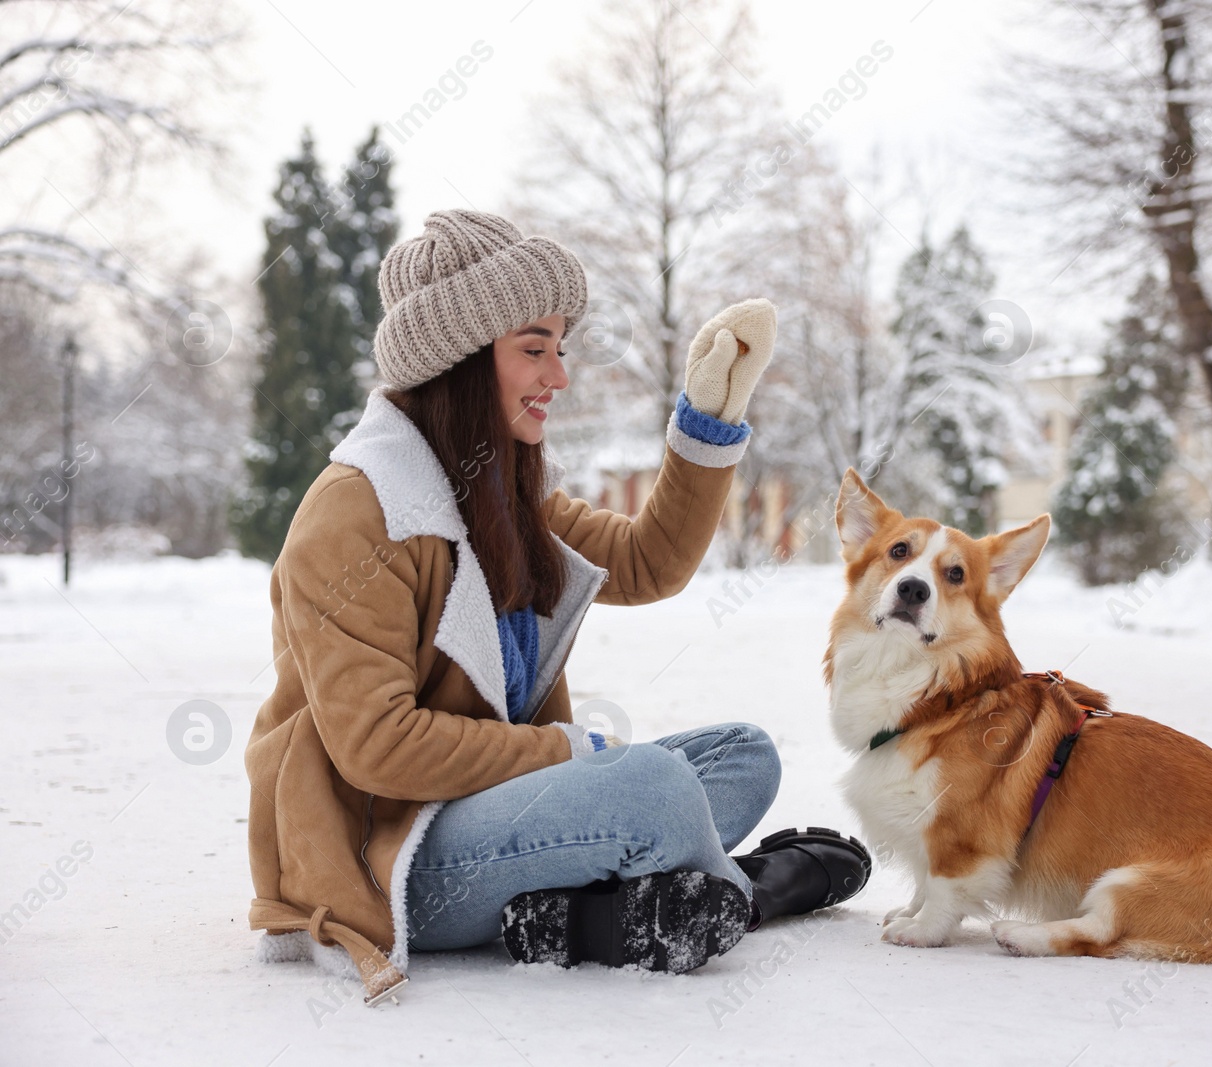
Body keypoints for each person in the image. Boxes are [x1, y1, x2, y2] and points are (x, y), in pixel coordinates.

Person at [244, 209, 869, 1006]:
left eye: (559, 348)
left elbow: (648, 561)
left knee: (743, 755)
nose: (559, 375)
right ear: (461, 362)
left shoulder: (497, 497)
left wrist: (708, 417)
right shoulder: (359, 513)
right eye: (534, 348)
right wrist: (564, 753)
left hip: (495, 813)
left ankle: (583, 917)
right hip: (390, 854)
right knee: (650, 785)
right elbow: (377, 747)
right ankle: (748, 891)